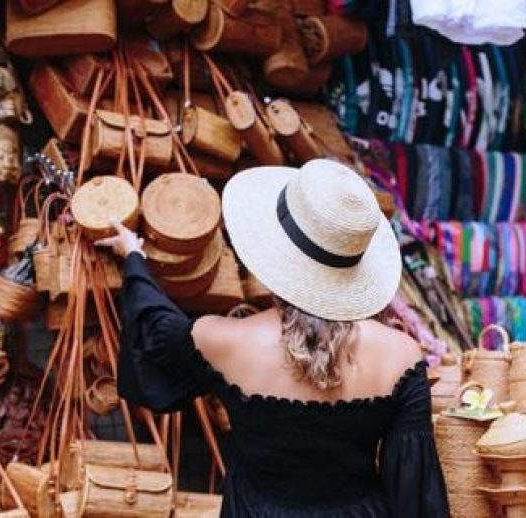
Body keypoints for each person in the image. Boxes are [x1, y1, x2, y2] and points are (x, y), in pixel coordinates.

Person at [98, 159, 449, 517]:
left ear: (276, 253)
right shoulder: (402, 356)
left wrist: (135, 258)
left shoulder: (223, 340)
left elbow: (157, 329)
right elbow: (414, 494)